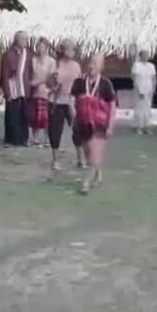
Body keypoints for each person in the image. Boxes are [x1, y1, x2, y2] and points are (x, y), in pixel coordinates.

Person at [71, 54, 116, 195]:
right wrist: (74, 116)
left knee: (95, 153)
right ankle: (98, 172)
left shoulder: (106, 84)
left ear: (101, 66)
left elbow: (112, 106)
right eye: (91, 62)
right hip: (83, 125)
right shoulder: (79, 82)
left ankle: (86, 183)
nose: (92, 65)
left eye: (96, 63)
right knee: (89, 153)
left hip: (100, 126)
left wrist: (110, 126)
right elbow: (71, 101)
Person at [48, 38, 83, 171]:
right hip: (56, 102)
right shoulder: (55, 65)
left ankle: (80, 159)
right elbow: (49, 84)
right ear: (64, 50)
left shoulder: (76, 66)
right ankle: (55, 161)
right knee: (55, 131)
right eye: (70, 49)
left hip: (72, 101)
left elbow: (79, 84)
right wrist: (54, 80)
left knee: (78, 130)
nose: (73, 51)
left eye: (74, 49)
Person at [0, 31, 34, 147]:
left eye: (26, 39)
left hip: (24, 88)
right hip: (12, 88)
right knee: (11, 115)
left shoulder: (28, 54)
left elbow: (30, 72)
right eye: (22, 38)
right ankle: (9, 140)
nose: (25, 41)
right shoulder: (8, 54)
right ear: (16, 39)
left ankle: (23, 139)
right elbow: (4, 74)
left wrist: (30, 89)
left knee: (24, 115)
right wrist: (7, 92)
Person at [30, 37, 57, 146]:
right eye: (39, 47)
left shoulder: (51, 61)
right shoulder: (33, 60)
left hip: (46, 91)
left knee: (46, 116)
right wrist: (33, 83)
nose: (40, 49)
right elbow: (30, 75)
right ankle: (35, 137)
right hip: (34, 91)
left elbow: (51, 77)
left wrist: (41, 81)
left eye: (43, 47)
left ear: (46, 48)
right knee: (35, 115)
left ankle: (47, 138)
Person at [131, 49, 157, 134]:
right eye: (144, 55)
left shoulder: (151, 66)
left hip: (148, 88)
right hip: (139, 88)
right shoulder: (136, 65)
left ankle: (147, 127)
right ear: (140, 56)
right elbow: (134, 78)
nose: (146, 56)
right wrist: (138, 90)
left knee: (147, 108)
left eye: (147, 55)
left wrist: (153, 88)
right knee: (139, 108)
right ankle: (139, 127)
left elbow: (153, 78)